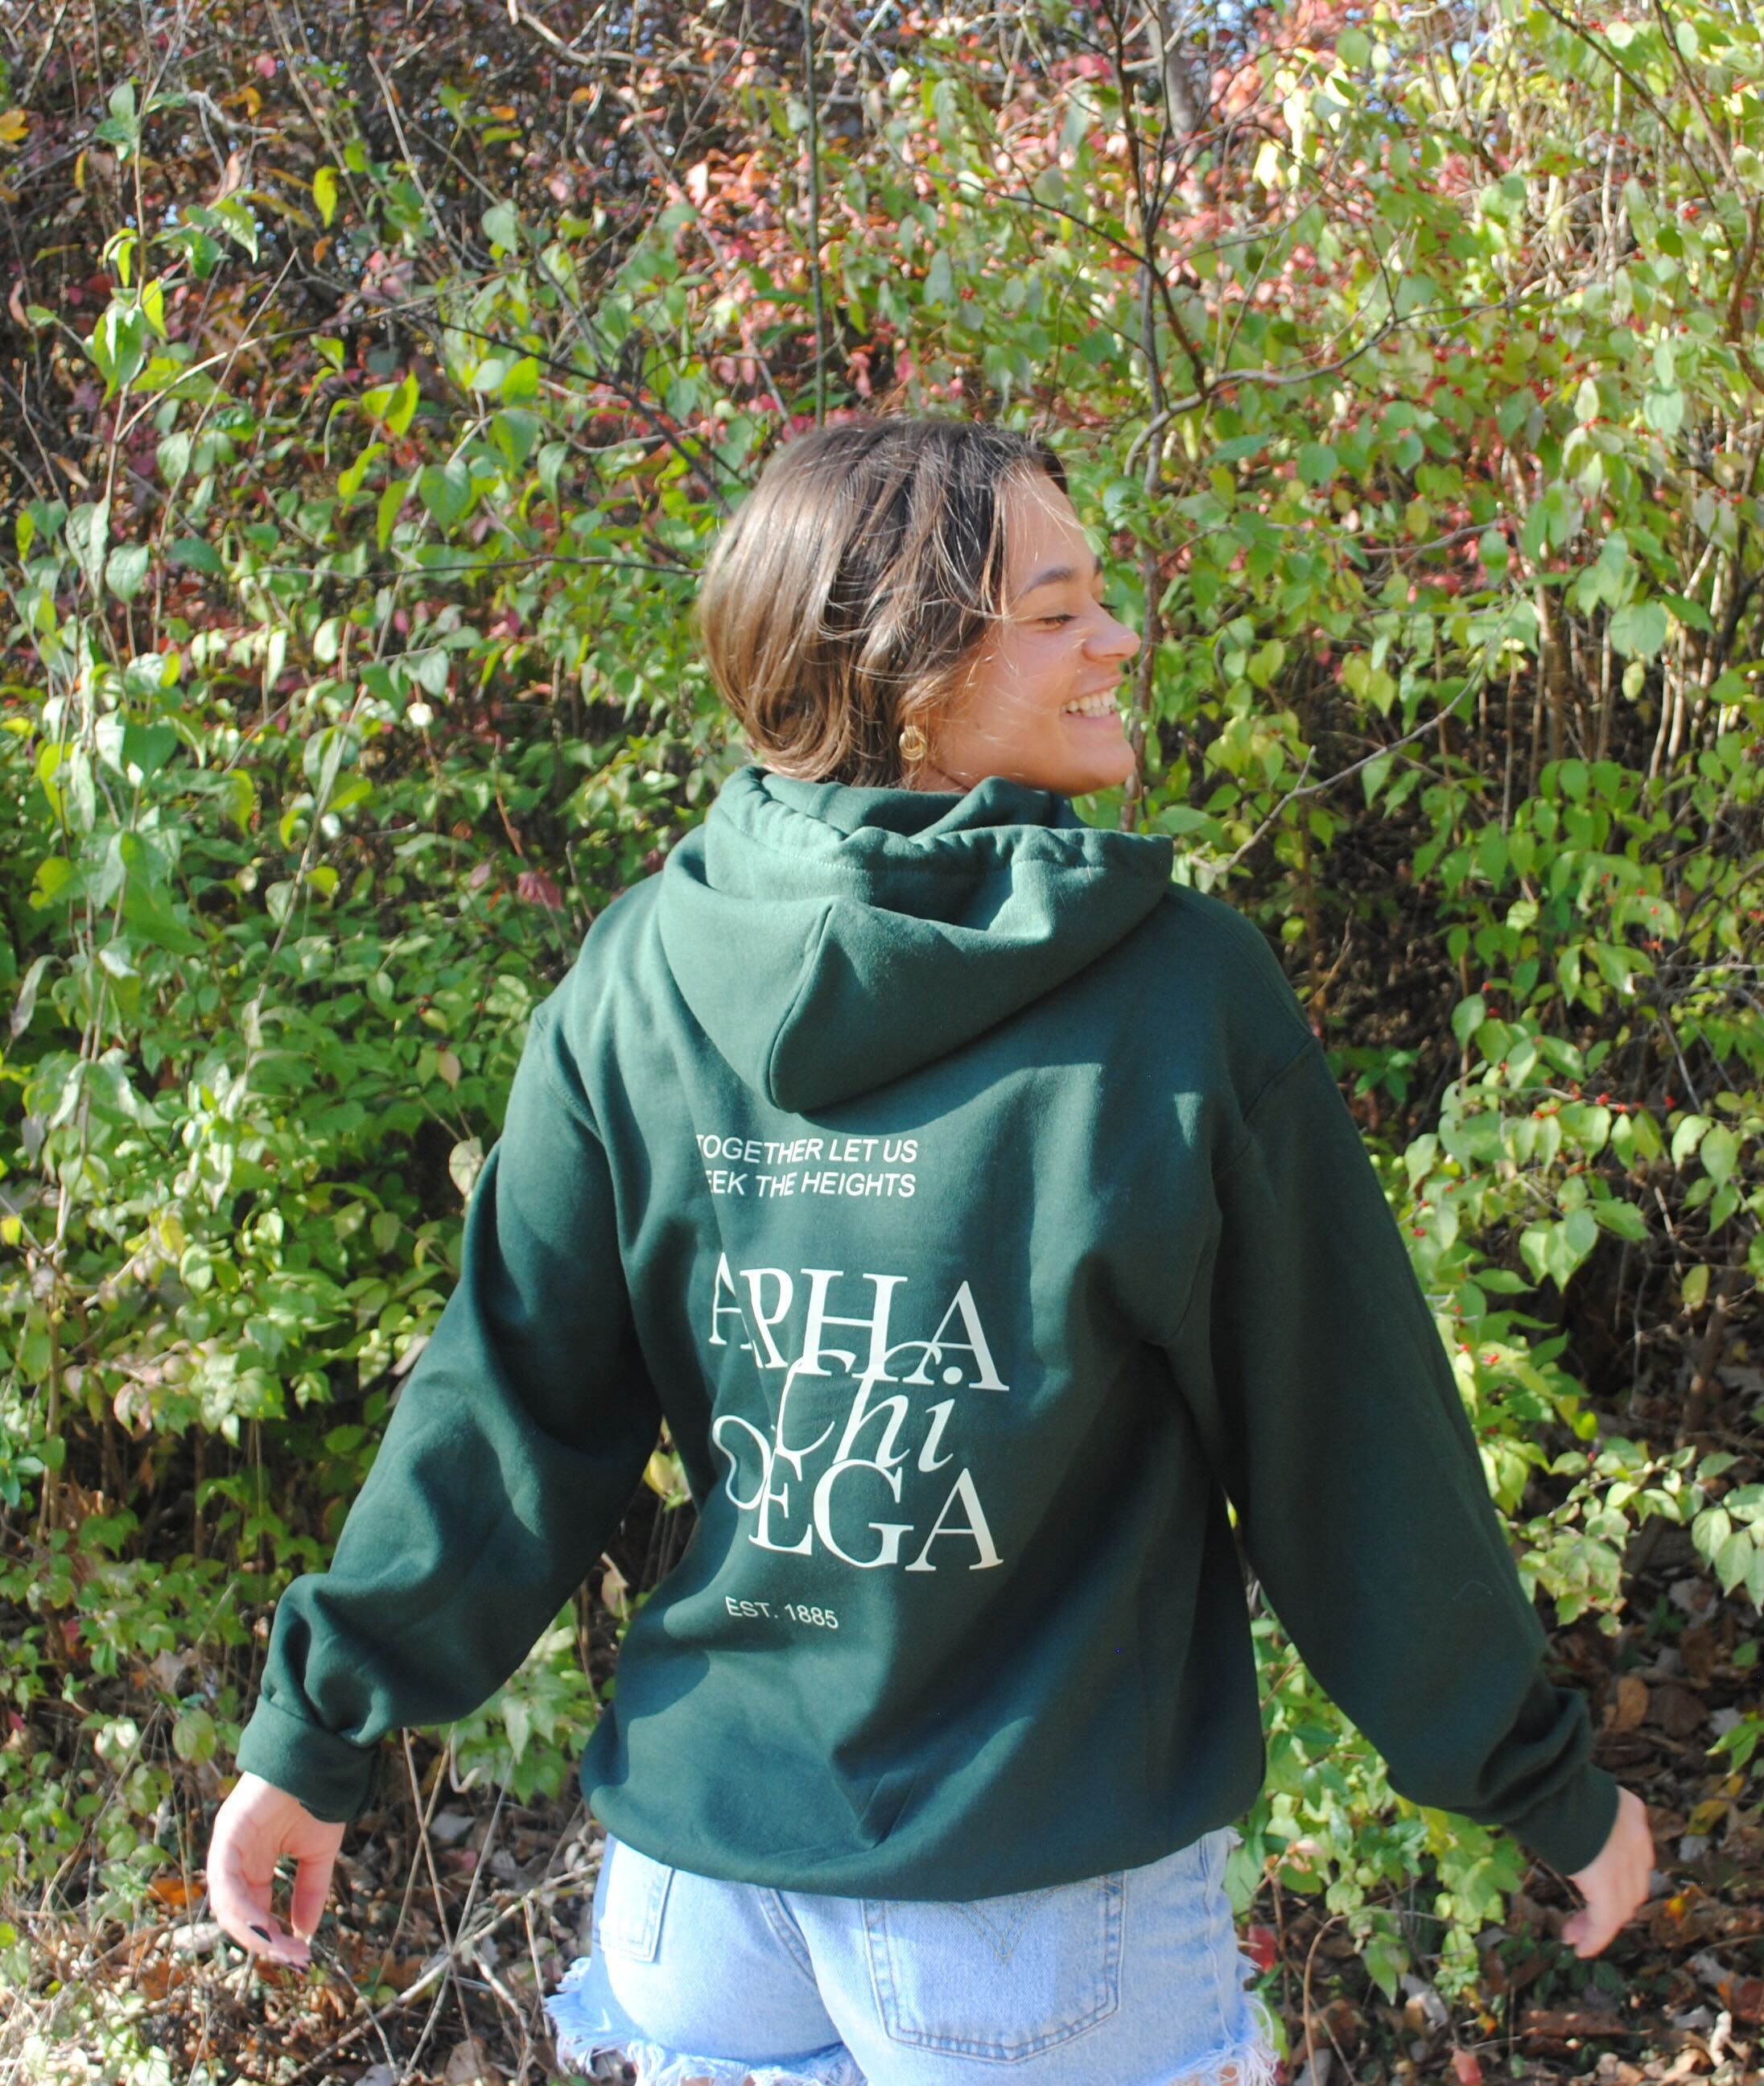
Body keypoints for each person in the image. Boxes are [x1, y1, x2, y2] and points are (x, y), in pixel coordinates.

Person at [205, 417, 1655, 2083]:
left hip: (700, 1896)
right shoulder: (1173, 996)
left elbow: (507, 1413)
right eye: (1058, 611)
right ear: (908, 674)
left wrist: (315, 1734)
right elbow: (1348, 1447)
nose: (1120, 640)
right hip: (1031, 1913)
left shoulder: (642, 970)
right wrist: (1539, 1780)